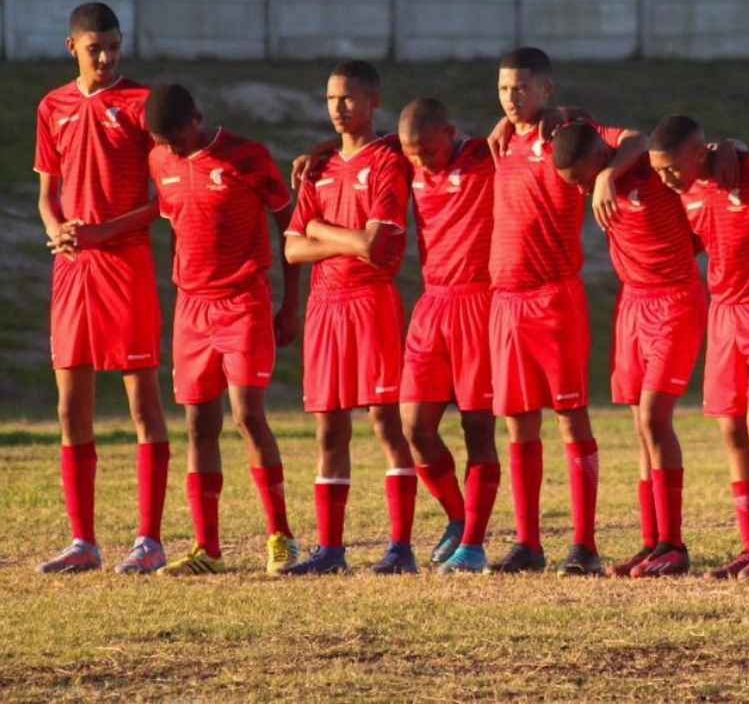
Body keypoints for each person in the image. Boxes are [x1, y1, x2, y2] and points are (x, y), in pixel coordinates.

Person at [485, 47, 644, 576]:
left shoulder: (568, 132)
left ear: (546, 90)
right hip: (506, 300)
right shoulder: (501, 140)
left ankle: (584, 546)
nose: (512, 98)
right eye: (506, 89)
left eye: (523, 88)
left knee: (571, 420)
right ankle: (528, 543)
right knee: (517, 425)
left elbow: (636, 141)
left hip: (554, 299)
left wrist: (606, 176)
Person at [35, 2, 171, 574]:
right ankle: (83, 542)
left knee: (142, 402)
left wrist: (103, 230)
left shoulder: (142, 105)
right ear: (74, 48)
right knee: (72, 408)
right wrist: (56, 231)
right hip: (73, 273)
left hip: (126, 266)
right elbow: (47, 193)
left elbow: (164, 199)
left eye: (115, 46)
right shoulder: (53, 107)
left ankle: (149, 540)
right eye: (97, 49)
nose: (108, 57)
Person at [144, 84, 301, 575]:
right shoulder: (161, 161)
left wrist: (290, 302)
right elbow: (176, 224)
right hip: (191, 308)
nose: (172, 148)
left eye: (176, 137)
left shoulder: (246, 156)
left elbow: (287, 221)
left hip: (243, 302)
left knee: (248, 416)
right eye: (162, 141)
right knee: (197, 425)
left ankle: (281, 537)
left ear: (197, 118)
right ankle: (207, 548)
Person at [649, 116, 749, 581]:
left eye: (671, 169)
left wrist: (744, 144)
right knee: (731, 429)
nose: (665, 180)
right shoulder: (686, 194)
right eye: (659, 172)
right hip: (725, 313)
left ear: (698, 153)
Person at [551, 121, 708, 578]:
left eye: (583, 179)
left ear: (600, 160)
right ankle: (652, 541)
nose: (582, 192)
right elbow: (565, 119)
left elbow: (636, 137)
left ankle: (674, 545)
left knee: (656, 416)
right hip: (633, 302)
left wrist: (606, 177)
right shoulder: (587, 139)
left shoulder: (646, 165)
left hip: (675, 298)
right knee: (641, 424)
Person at [282, 60, 416, 575]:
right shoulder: (317, 167)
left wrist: (318, 226)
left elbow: (373, 245)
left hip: (370, 302)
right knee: (328, 428)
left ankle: (400, 548)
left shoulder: (387, 161)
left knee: (384, 420)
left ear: (373, 101)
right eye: (331, 99)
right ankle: (331, 551)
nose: (338, 109)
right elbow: (291, 250)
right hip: (325, 308)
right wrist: (338, 239)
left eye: (349, 99)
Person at [395, 98, 501, 574]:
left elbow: (543, 130)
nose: (420, 162)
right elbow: (361, 151)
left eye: (427, 152)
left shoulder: (484, 156)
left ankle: (474, 546)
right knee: (415, 427)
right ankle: (459, 519)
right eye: (411, 153)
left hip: (479, 303)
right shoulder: (407, 162)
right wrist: (317, 150)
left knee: (477, 429)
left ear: (451, 132)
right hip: (432, 304)